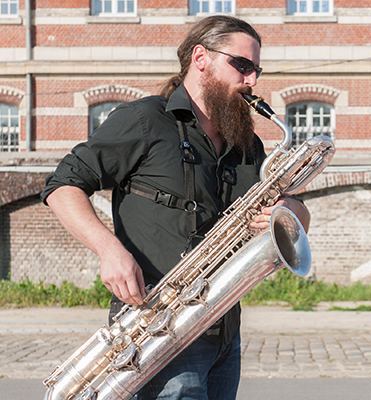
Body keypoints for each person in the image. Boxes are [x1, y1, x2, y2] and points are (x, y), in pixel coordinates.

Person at [41, 15, 310, 400]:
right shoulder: (146, 119)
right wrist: (109, 251)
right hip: (157, 328)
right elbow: (63, 185)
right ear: (201, 57)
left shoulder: (246, 141)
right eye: (242, 66)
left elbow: (296, 204)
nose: (252, 81)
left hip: (223, 334)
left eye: (256, 70)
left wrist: (291, 211)